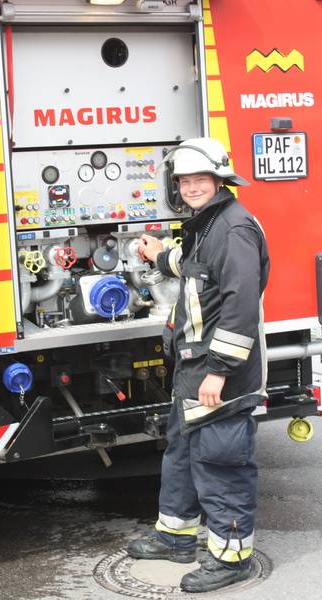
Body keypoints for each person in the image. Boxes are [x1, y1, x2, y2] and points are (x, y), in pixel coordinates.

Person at [127, 137, 270, 593]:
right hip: (194, 370)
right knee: (183, 455)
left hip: (219, 375)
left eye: (199, 179)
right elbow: (193, 267)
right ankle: (175, 537)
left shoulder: (233, 229)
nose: (191, 188)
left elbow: (239, 307)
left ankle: (231, 559)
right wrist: (157, 255)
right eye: (184, 181)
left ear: (219, 180)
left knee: (221, 463)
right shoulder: (206, 225)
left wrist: (219, 371)